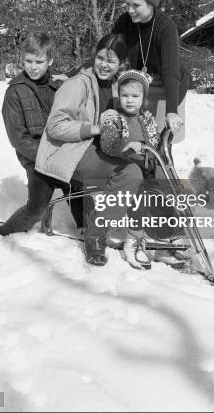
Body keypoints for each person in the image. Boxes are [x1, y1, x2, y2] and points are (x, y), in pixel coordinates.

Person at [35, 34, 145, 267]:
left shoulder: (117, 86)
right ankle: (95, 235)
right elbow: (55, 126)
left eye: (111, 61)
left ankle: (136, 231)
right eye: (100, 58)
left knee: (141, 167)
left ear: (121, 64)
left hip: (99, 150)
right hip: (70, 152)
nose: (104, 65)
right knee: (130, 173)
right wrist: (95, 128)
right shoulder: (77, 84)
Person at [0, 30, 83, 237]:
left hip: (62, 153)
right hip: (36, 158)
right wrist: (46, 158)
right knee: (37, 207)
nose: (33, 67)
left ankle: (86, 230)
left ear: (49, 61)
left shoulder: (59, 86)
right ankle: (5, 230)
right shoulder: (15, 91)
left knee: (80, 191)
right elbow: (18, 138)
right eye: (28, 61)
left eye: (39, 62)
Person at [99, 69, 189, 270]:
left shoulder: (146, 118)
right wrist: (125, 147)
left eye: (135, 96)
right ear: (118, 96)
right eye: (125, 96)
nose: (129, 101)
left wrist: (168, 133)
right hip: (125, 167)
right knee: (139, 199)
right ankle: (133, 240)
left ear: (143, 98)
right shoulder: (115, 118)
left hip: (146, 167)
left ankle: (165, 243)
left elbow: (155, 142)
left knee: (163, 197)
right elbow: (107, 144)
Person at [112, 0, 189, 140]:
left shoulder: (166, 28)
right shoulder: (125, 22)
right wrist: (74, 73)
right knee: (139, 136)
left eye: (136, 5)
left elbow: (171, 71)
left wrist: (171, 111)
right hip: (143, 85)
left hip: (169, 86)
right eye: (128, 5)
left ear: (151, 3)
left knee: (161, 141)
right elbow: (107, 53)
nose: (130, 10)